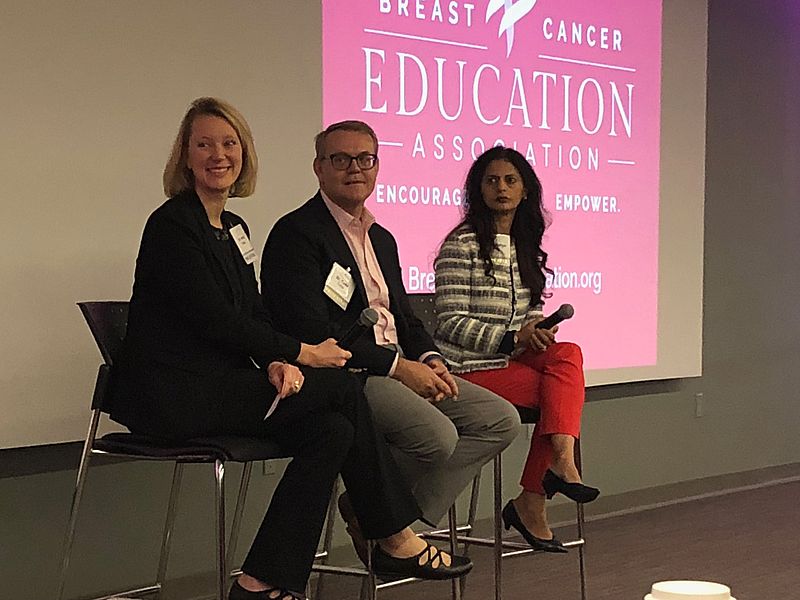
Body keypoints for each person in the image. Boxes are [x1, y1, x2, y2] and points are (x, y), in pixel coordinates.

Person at [109, 99, 471, 600]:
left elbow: (252, 314)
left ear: (244, 153)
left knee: (333, 430)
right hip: (174, 395)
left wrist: (277, 360)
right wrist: (301, 351)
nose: (218, 155)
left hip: (222, 385)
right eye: (204, 145)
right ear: (185, 157)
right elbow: (216, 322)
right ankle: (392, 535)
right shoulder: (173, 225)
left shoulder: (234, 228)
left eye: (229, 143)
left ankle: (261, 580)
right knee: (342, 390)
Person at [260, 120, 521, 552]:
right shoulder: (297, 234)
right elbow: (311, 331)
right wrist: (399, 368)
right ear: (319, 168)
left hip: (399, 365)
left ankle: (375, 512)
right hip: (349, 374)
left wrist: (431, 359)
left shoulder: (381, 239)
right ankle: (387, 523)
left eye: (365, 159)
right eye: (341, 159)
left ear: (377, 167)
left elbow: (405, 318)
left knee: (499, 421)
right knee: (437, 437)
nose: (355, 168)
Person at [433, 146, 599, 554]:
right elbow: (449, 322)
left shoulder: (525, 243)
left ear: (525, 190)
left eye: (510, 180)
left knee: (569, 354)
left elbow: (532, 310)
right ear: (479, 190)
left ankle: (554, 471)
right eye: (492, 181)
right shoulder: (461, 244)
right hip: (467, 367)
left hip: (513, 357)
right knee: (557, 398)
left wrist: (537, 330)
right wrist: (511, 339)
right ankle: (537, 494)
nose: (501, 188)